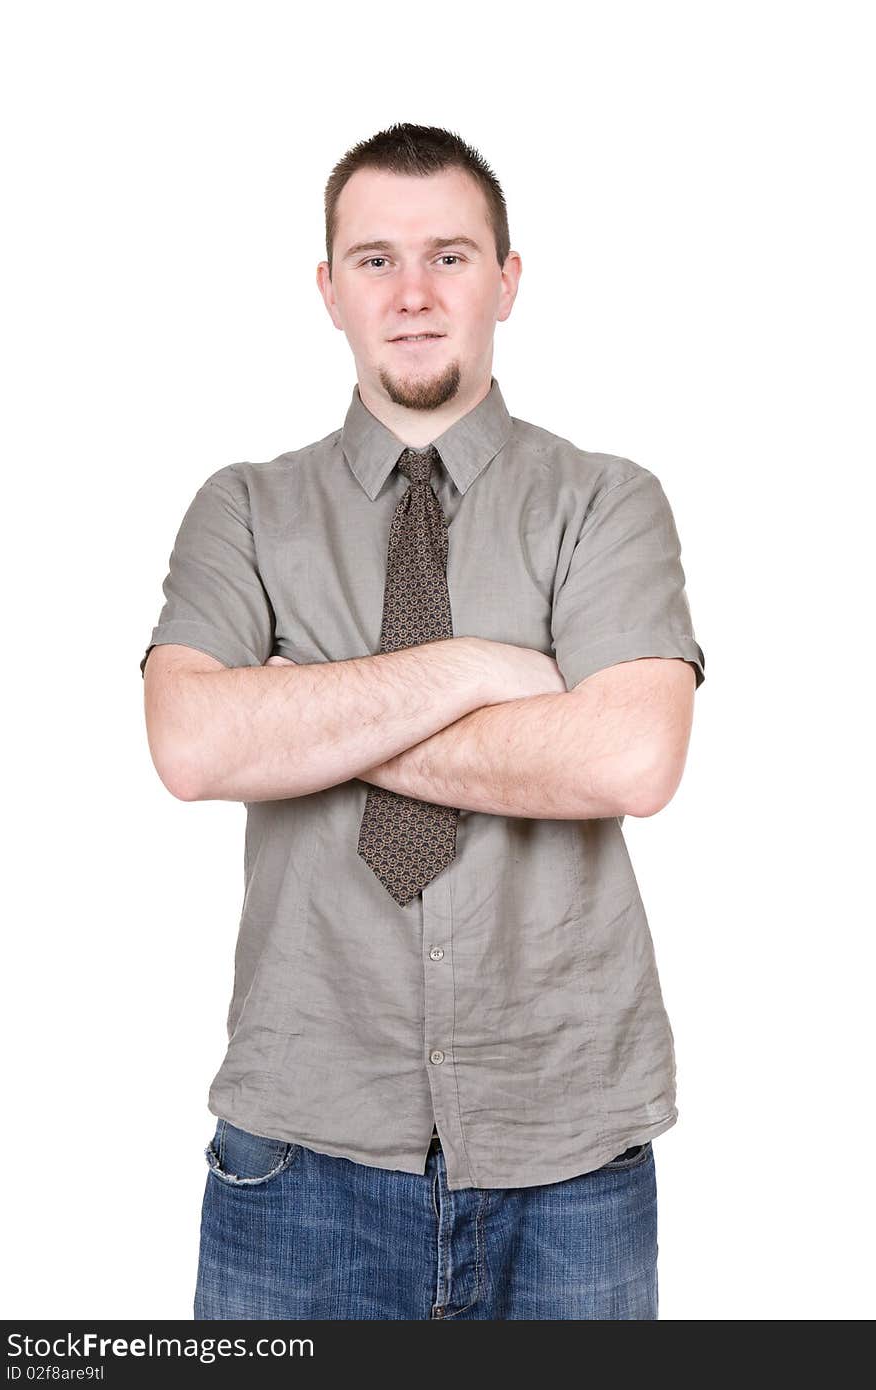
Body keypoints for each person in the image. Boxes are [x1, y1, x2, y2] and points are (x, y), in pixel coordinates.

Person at [140, 122, 706, 1321]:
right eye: (373, 260)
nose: (410, 294)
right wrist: (489, 668)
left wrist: (307, 709)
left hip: (570, 1151)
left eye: (449, 257)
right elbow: (194, 744)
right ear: (327, 289)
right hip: (301, 1147)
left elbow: (630, 754)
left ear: (507, 280)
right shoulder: (243, 511)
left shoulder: (606, 502)